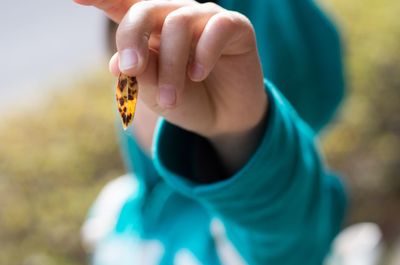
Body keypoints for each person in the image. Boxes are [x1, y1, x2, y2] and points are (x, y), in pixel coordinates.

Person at [75, 0, 347, 264]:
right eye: (137, 69)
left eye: (188, 64)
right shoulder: (115, 209)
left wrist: (242, 133)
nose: (156, 90)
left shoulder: (264, 225)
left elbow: (285, 235)